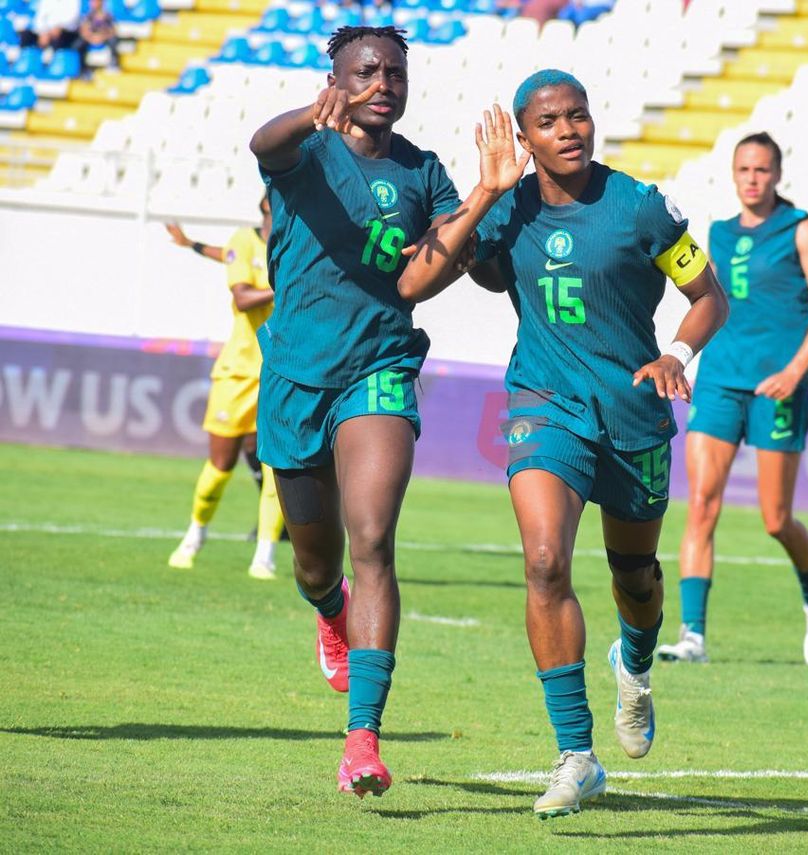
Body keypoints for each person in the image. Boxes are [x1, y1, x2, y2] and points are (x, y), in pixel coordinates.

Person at [398, 70, 728, 819]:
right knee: (545, 560)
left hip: (637, 413)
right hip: (545, 404)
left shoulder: (640, 207)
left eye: (578, 115)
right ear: (525, 136)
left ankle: (635, 666)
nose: (568, 130)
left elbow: (710, 296)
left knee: (635, 577)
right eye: (549, 122)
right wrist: (483, 192)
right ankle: (577, 754)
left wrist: (676, 352)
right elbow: (430, 278)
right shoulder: (507, 213)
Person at [248, 25, 463, 799]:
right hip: (295, 378)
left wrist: (478, 207)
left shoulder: (424, 171)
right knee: (315, 560)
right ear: (336, 78)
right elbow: (260, 142)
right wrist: (311, 116)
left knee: (372, 535)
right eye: (366, 71)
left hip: (379, 366)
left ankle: (362, 740)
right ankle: (329, 609)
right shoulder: (307, 150)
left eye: (395, 72)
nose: (383, 83)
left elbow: (430, 272)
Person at [655, 131, 808, 668]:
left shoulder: (799, 229)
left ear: (777, 174)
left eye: (761, 170)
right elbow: (704, 299)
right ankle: (693, 636)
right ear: (733, 174)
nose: (752, 179)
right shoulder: (718, 232)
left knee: (776, 519)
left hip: (776, 388)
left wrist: (794, 371)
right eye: (744, 170)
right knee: (702, 506)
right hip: (719, 384)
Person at [167, 195, 287, 580]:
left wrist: (193, 245)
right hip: (238, 372)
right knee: (220, 466)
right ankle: (194, 534)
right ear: (266, 207)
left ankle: (265, 555)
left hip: (280, 373)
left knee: (274, 470)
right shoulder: (245, 239)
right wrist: (285, 287)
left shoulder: (295, 242)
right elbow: (242, 298)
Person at [74, 0, 118, 74]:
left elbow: (113, 31)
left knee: (113, 40)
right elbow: (84, 30)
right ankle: (82, 68)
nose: (93, 3)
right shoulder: (88, 16)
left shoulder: (108, 15)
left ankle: (114, 63)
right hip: (91, 39)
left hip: (104, 39)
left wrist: (101, 37)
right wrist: (92, 38)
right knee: (79, 44)